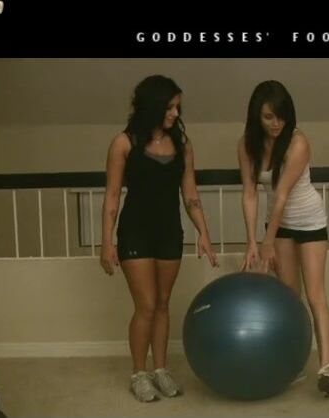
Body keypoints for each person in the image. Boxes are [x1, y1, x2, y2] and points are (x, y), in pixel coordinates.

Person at [100, 75, 219, 402]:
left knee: (164, 304)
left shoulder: (183, 145)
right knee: (147, 305)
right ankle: (139, 373)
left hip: (169, 232)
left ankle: (161, 370)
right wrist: (106, 242)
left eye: (177, 107)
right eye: (169, 107)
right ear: (152, 106)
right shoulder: (123, 144)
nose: (175, 113)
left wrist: (204, 234)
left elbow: (190, 194)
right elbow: (112, 196)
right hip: (135, 231)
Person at [237, 80, 329, 398]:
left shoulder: (298, 142)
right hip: (278, 225)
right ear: (256, 116)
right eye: (268, 117)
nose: (276, 123)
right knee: (288, 297)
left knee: (315, 295)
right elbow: (250, 193)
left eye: (281, 116)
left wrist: (266, 242)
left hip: (309, 221)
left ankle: (326, 369)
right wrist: (252, 242)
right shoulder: (247, 145)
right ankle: (294, 364)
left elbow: (281, 195)